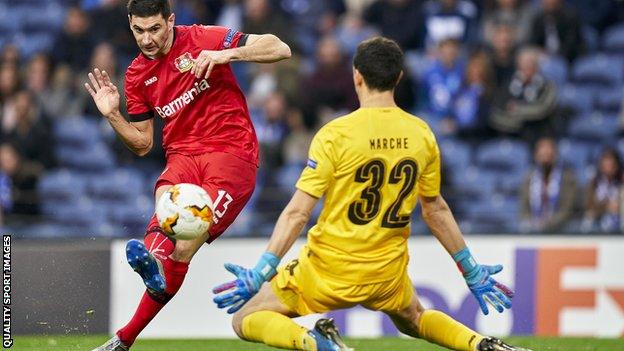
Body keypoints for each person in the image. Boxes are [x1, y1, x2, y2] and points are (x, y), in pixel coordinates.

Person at [212, 37, 529, 351]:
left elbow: (298, 212)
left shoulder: (336, 134)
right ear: (399, 78)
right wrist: (469, 268)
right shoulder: (421, 133)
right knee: (414, 317)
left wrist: (263, 269)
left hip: (328, 269)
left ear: (357, 76)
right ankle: (480, 344)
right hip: (385, 272)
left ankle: (315, 342)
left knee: (246, 317)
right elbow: (436, 210)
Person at [86, 1, 291, 350]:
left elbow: (280, 47)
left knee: (181, 247)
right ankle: (148, 279)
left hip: (231, 154)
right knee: (164, 219)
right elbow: (142, 144)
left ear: (171, 20)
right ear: (130, 26)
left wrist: (227, 56)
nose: (147, 39)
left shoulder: (203, 38)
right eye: (139, 30)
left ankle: (127, 332)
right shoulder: (136, 74)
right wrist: (112, 116)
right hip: (182, 155)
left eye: (154, 29)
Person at [520, 136, 577, 233]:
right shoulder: (528, 178)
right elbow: (524, 209)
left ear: (555, 155)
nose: (545, 158)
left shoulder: (567, 178)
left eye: (549, 155)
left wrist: (548, 224)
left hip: (561, 230)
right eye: (542, 154)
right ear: (536, 156)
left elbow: (568, 209)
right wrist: (532, 223)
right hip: (533, 230)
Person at [582, 148, 622, 233]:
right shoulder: (594, 183)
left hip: (619, 222)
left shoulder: (621, 182)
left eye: (612, 164)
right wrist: (606, 206)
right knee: (587, 220)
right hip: (597, 222)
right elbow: (589, 207)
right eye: (606, 164)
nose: (609, 167)